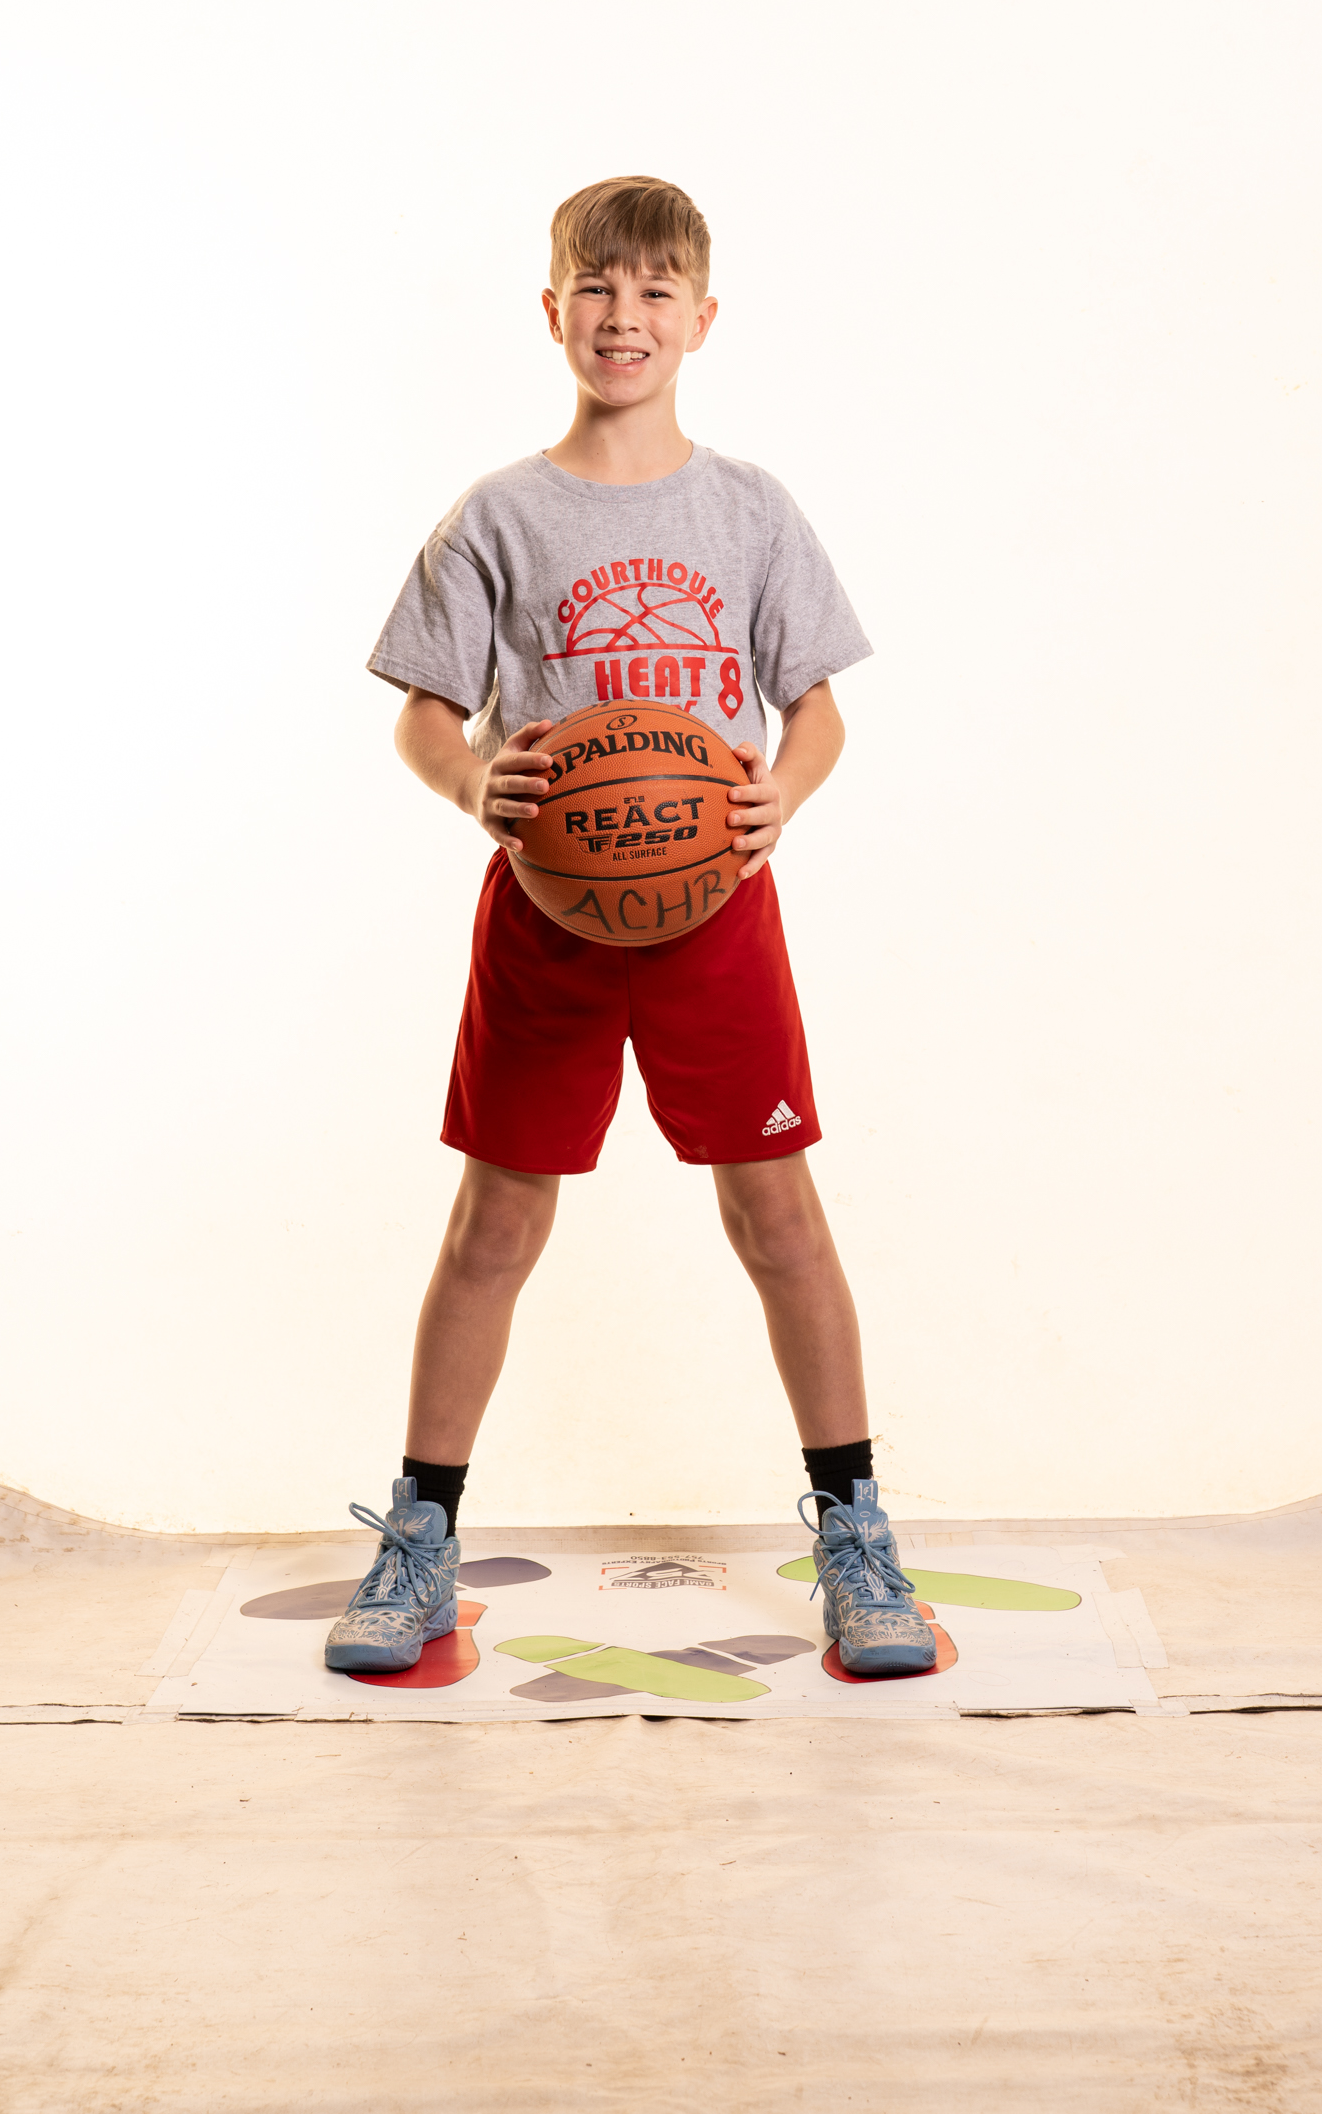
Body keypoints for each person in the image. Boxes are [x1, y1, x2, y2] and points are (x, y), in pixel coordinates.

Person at [325, 177, 932, 1681]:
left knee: (777, 1216)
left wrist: (782, 793)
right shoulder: (500, 514)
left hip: (716, 909)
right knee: (495, 1223)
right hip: (550, 914)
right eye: (597, 288)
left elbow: (817, 709)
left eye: (657, 290)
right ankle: (420, 1537)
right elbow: (424, 714)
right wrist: (469, 779)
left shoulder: (749, 508)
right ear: (553, 311)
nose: (624, 315)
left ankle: (856, 1531)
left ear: (702, 319)